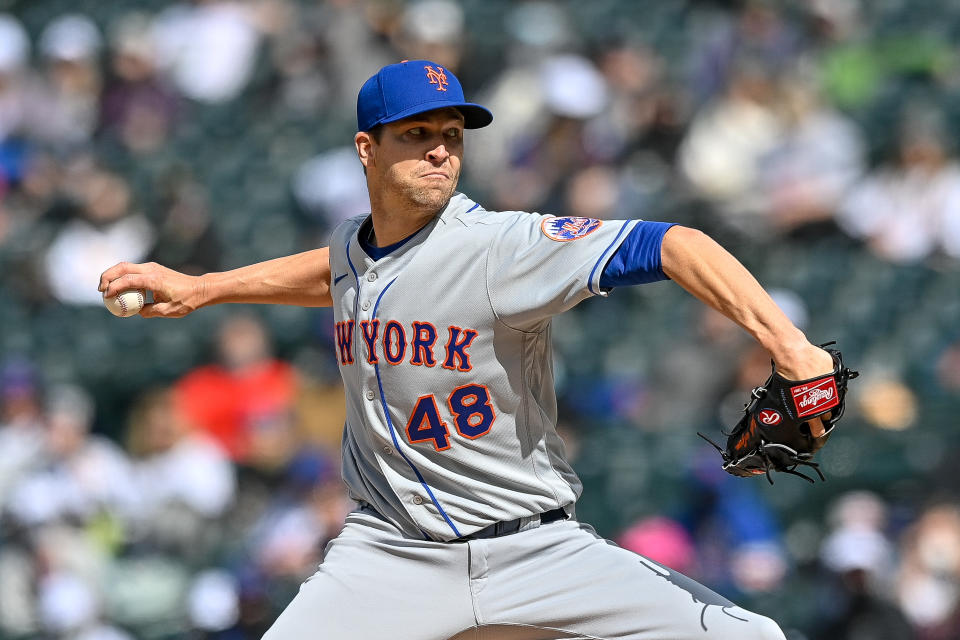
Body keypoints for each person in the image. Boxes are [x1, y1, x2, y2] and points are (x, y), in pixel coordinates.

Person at [100, 60, 835, 639]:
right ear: (368, 148)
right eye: (416, 135)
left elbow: (674, 243)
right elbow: (333, 273)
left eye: (451, 135)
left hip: (535, 550)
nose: (440, 152)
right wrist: (204, 288)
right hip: (389, 552)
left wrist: (788, 344)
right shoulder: (354, 250)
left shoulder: (499, 247)